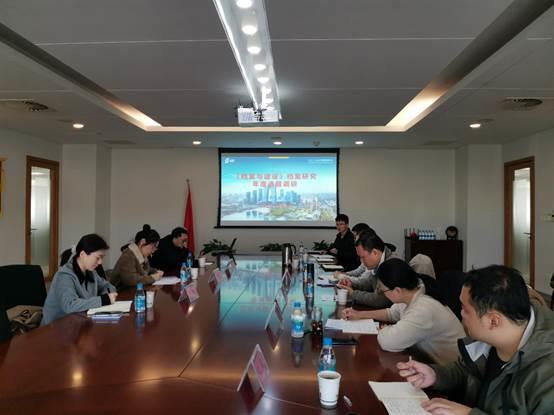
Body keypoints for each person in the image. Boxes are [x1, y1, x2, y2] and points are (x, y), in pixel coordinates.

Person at [397, 265, 554, 414]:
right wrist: (436, 375)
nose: (460, 314)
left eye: (465, 309)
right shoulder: (494, 335)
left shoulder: (547, 372)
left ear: (493, 321)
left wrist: (469, 414)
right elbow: (465, 371)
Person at [342, 259, 464, 364]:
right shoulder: (413, 289)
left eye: (383, 291)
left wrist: (384, 329)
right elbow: (392, 313)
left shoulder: (423, 308)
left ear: (397, 291)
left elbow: (388, 342)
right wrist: (359, 314)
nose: (382, 293)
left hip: (449, 371)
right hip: (426, 360)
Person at [41, 234, 117, 326]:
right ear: (82, 254)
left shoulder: (91, 272)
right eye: (98, 257)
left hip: (78, 323)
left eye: (102, 258)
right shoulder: (64, 276)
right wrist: (104, 299)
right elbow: (70, 305)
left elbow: (108, 286)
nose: (100, 262)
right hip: (55, 328)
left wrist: (106, 295)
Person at [337, 230, 399, 308]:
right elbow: (367, 283)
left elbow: (380, 300)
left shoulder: (391, 265)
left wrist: (353, 293)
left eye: (363, 257)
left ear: (374, 253)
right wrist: (351, 283)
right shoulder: (377, 262)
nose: (361, 261)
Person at [110, 224, 164, 289]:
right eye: (153, 247)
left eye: (155, 248)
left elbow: (145, 270)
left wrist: (155, 271)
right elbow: (131, 280)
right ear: (142, 242)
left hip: (135, 289)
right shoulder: (128, 255)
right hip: (121, 291)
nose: (153, 251)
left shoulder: (142, 254)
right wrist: (152, 278)